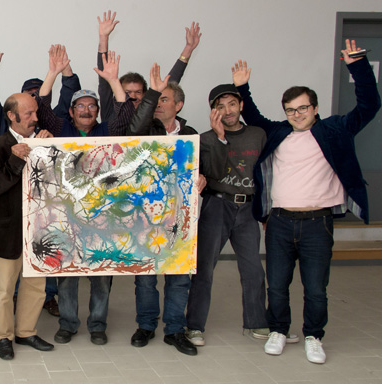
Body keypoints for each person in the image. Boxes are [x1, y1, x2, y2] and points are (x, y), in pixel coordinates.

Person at [233, 40, 381, 364]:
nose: (297, 115)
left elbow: (369, 105)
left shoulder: (334, 130)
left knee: (315, 288)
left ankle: (314, 336)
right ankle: (279, 330)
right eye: (290, 110)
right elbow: (253, 116)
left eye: (302, 108)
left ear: (314, 108)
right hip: (280, 222)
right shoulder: (278, 133)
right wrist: (243, 88)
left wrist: (357, 66)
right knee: (277, 285)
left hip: (317, 223)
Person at [32, 45, 128, 345]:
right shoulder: (61, 129)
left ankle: (98, 324)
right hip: (66, 215)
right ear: (72, 111)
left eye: (92, 106)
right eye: (81, 106)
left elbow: (126, 115)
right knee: (68, 274)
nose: (87, 110)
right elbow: (42, 107)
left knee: (101, 274)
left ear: (97, 111)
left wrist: (114, 82)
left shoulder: (107, 132)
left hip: (103, 215)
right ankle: (68, 323)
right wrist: (52, 73)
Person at [184, 84, 293, 347]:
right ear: (213, 112)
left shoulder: (258, 135)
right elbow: (213, 173)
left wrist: (268, 210)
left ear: (241, 106)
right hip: (216, 205)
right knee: (204, 268)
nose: (228, 111)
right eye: (220, 106)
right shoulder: (205, 139)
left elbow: (270, 170)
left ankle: (256, 323)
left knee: (253, 269)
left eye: (232, 104)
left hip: (248, 208)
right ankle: (194, 326)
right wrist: (220, 138)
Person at [127, 64, 199, 356]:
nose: (157, 104)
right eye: (155, 99)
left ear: (178, 105)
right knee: (145, 278)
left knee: (179, 277)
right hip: (147, 217)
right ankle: (146, 325)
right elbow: (132, 132)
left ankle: (174, 330)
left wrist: (204, 178)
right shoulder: (146, 131)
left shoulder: (192, 135)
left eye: (164, 99)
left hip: (180, 218)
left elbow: (204, 169)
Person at [0, 92, 55, 360]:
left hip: (40, 230)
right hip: (7, 231)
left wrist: (53, 150)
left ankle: (26, 332)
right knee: (4, 290)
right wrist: (15, 160)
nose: (35, 118)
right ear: (12, 116)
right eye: (29, 114)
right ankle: (3, 337)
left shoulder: (46, 142)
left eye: (36, 112)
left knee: (36, 286)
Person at [96, 10, 201, 133]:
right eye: (127, 92)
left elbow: (168, 86)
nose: (133, 96)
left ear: (145, 95)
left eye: (138, 92)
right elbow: (105, 79)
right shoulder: (111, 110)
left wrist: (188, 49)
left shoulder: (149, 116)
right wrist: (103, 38)